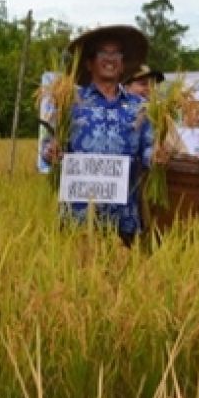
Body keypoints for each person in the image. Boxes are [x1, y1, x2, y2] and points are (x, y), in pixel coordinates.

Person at [43, 25, 154, 246]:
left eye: (116, 54)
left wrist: (158, 155)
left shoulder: (140, 107)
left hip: (125, 217)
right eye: (103, 53)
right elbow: (48, 147)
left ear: (123, 64)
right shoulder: (70, 102)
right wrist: (51, 151)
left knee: (124, 278)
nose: (110, 59)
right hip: (78, 216)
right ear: (89, 63)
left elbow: (148, 150)